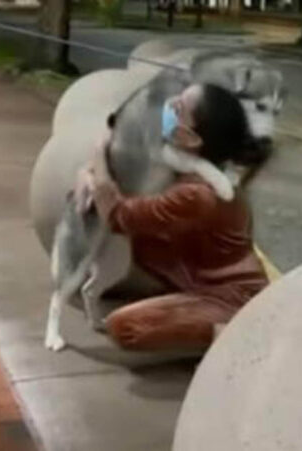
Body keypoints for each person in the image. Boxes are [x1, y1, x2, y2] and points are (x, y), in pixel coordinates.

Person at [79, 83, 270, 352]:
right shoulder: (208, 169)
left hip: (231, 298)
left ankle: (237, 335)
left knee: (125, 326)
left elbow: (118, 216)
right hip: (201, 283)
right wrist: (89, 173)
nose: (168, 107)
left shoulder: (197, 195)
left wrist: (99, 153)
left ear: (191, 138)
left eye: (178, 108)